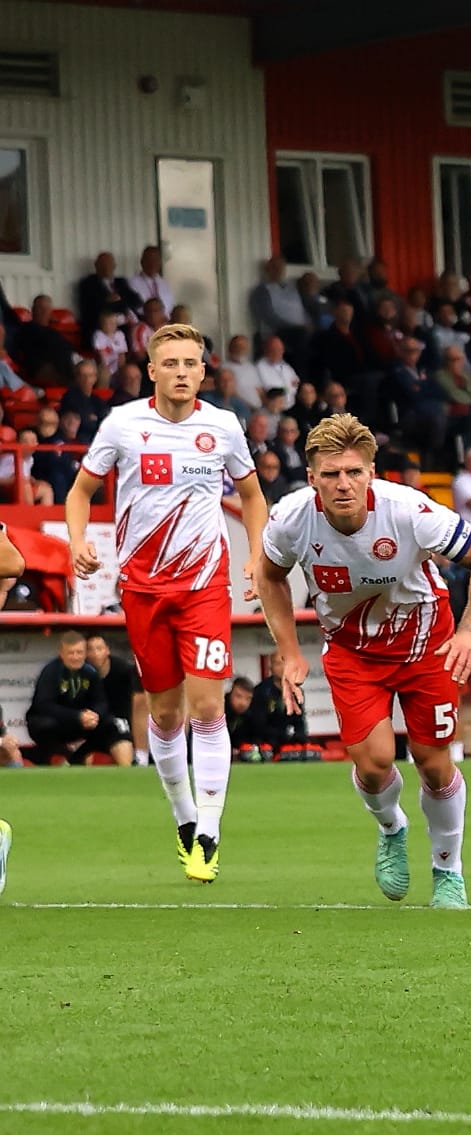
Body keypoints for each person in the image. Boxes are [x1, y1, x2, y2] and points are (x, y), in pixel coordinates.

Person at [252, 413, 471, 910]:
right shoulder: (290, 519)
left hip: (426, 646)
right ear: (312, 479)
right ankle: (391, 828)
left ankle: (448, 871)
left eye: (353, 472)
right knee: (374, 765)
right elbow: (269, 577)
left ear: (371, 472)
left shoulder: (410, 510)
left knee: (434, 765)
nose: (342, 484)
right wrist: (288, 654)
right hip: (352, 652)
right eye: (330, 474)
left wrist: (470, 634)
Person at [68, 322, 267, 883]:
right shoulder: (124, 425)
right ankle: (183, 818)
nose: (182, 372)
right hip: (142, 589)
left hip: (204, 586)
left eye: (191, 363)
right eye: (171, 363)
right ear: (151, 370)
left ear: (204, 371)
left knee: (208, 708)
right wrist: (79, 541)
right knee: (164, 713)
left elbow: (252, 496)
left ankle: (209, 830)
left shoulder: (223, 426)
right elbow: (80, 490)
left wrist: (255, 554)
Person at [27, 631, 120, 765]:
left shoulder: (91, 672)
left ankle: (78, 757)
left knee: (109, 724)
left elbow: (101, 701)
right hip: (57, 722)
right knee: (44, 725)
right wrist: (77, 716)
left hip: (81, 722)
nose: (76, 657)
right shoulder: (51, 671)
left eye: (80, 652)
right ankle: (50, 757)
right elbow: (43, 705)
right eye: (71, 653)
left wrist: (94, 715)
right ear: (61, 653)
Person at [83, 633, 141, 767]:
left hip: (118, 725)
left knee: (120, 733)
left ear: (107, 650)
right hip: (92, 727)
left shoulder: (124, 671)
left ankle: (130, 770)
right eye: (90, 649)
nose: (95, 653)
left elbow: (137, 704)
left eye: (99, 649)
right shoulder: (81, 674)